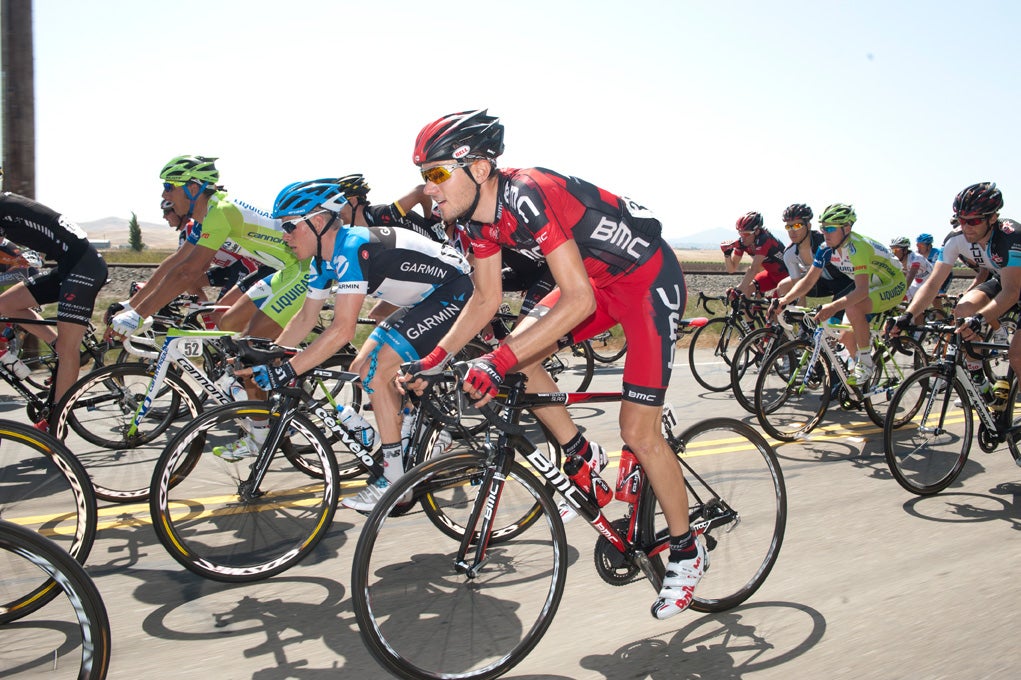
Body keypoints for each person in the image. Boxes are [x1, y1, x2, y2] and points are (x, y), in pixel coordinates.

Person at [399, 109, 699, 620]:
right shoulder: (477, 222)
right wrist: (432, 358)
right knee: (514, 355)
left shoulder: (527, 193)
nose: (428, 189)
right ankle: (582, 453)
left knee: (638, 431)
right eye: (424, 177)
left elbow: (577, 301)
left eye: (437, 174)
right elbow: (485, 299)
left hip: (647, 280)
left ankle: (687, 552)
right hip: (596, 283)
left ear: (479, 167)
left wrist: (495, 361)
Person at [236, 179, 473, 511]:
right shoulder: (322, 260)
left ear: (318, 222)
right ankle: (412, 436)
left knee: (376, 373)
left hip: (455, 292)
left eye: (288, 225)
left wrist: (289, 369)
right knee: (359, 370)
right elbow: (305, 319)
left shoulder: (351, 246)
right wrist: (272, 353)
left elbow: (342, 330)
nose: (283, 235)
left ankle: (394, 481)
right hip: (423, 298)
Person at [111, 156, 308, 342]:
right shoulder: (206, 216)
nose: (165, 194)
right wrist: (132, 305)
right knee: (227, 322)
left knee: (250, 345)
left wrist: (138, 315)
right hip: (286, 268)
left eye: (169, 186)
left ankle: (284, 371)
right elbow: (176, 261)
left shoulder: (220, 213)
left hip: (304, 268)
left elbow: (188, 272)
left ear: (194, 188)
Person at [894, 182, 1020, 385]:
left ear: (993, 218)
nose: (966, 227)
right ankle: (980, 384)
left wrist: (980, 319)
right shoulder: (956, 239)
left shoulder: (1010, 236)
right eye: (962, 220)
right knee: (962, 312)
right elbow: (933, 283)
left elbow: (1012, 291)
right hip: (1001, 279)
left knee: (1017, 356)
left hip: (1014, 283)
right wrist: (908, 315)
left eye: (974, 221)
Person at [770, 203, 906, 386]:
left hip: (892, 284)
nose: (825, 233)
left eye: (831, 228)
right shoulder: (826, 248)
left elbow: (861, 291)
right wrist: (784, 300)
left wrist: (833, 306)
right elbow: (809, 281)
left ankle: (866, 364)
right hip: (872, 285)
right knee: (845, 335)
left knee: (853, 308)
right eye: (823, 228)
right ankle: (854, 379)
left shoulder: (857, 247)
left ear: (847, 228)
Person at [0, 191, 108, 414]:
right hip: (69, 266)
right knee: (5, 305)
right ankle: (55, 344)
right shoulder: (6, 206)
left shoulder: (4, 206)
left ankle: (57, 422)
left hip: (84, 268)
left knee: (69, 349)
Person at [775, 203, 853, 305]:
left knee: (834, 317)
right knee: (783, 286)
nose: (792, 231)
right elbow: (799, 291)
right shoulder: (789, 253)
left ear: (808, 226)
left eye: (797, 226)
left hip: (844, 281)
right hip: (819, 284)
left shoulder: (826, 241)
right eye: (788, 227)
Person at [720, 212, 786, 297]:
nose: (742, 237)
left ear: (757, 231)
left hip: (787, 276)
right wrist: (727, 255)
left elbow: (753, 269)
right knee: (745, 291)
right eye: (740, 233)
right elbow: (731, 269)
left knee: (775, 305)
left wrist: (738, 290)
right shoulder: (743, 242)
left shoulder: (765, 240)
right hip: (771, 275)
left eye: (746, 233)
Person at [889, 236, 933, 302]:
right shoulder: (899, 259)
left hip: (929, 281)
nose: (893, 252)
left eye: (896, 249)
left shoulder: (916, 259)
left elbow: (910, 276)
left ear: (905, 250)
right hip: (917, 280)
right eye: (892, 249)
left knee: (902, 298)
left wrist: (901, 292)